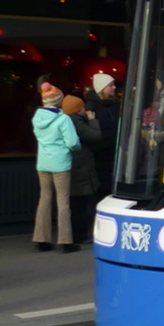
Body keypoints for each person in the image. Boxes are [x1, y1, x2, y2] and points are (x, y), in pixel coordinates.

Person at [33, 80, 80, 253]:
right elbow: (72, 143)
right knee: (63, 201)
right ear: (59, 101)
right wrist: (75, 148)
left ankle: (41, 239)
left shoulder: (37, 118)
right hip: (60, 163)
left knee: (44, 199)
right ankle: (65, 241)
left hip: (43, 162)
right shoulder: (63, 119)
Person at [63, 94, 101, 244]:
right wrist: (93, 121)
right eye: (82, 107)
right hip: (80, 166)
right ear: (77, 109)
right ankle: (80, 234)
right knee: (80, 203)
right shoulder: (77, 122)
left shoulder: (66, 121)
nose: (85, 109)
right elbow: (95, 136)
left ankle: (75, 233)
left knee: (74, 202)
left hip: (71, 165)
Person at [85, 72, 121, 195]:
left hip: (114, 150)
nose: (114, 87)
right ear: (101, 88)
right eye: (110, 85)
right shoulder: (91, 107)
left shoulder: (114, 104)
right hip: (99, 153)